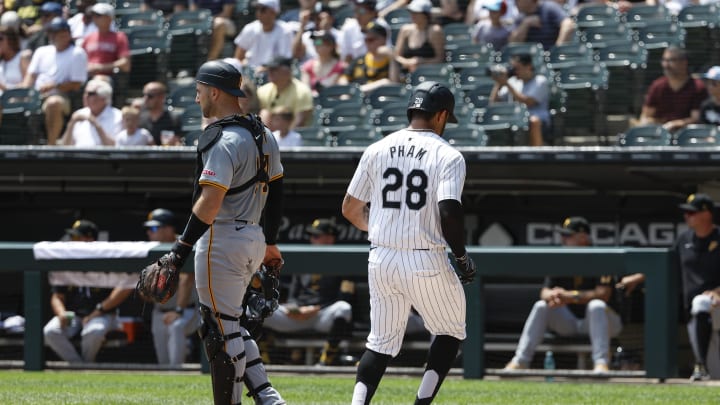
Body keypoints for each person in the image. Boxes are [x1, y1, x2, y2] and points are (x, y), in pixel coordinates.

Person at [153, 59, 285, 404]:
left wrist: (178, 250)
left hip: (223, 238)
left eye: (199, 92)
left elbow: (210, 202)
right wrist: (270, 242)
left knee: (219, 333)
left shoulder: (224, 140)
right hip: (253, 236)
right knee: (232, 325)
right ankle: (270, 399)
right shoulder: (263, 132)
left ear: (214, 91)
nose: (197, 99)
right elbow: (278, 191)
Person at [342, 81, 476, 404]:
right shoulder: (448, 155)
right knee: (450, 331)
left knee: (380, 343)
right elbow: (449, 211)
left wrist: (377, 229)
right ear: (441, 115)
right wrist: (460, 256)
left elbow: (349, 208)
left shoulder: (377, 148)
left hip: (381, 258)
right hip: (424, 258)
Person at [503, 216, 627, 373]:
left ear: (583, 237)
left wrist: (569, 296)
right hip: (571, 322)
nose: (563, 239)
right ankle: (520, 361)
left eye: (568, 235)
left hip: (604, 322)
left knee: (596, 306)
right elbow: (544, 291)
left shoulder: (601, 256)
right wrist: (553, 295)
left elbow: (603, 294)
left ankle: (601, 363)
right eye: (562, 235)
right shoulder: (561, 257)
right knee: (541, 305)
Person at [262, 218, 356, 366]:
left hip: (322, 316)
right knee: (259, 309)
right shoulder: (304, 259)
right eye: (312, 236)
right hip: (298, 316)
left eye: (317, 236)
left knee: (343, 308)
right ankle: (263, 359)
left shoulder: (343, 260)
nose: (313, 239)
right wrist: (294, 309)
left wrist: (316, 308)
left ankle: (327, 359)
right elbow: (293, 295)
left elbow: (346, 296)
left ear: (330, 238)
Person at [43, 219, 135, 363]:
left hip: (103, 314)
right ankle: (78, 366)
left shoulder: (106, 259)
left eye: (76, 237)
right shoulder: (68, 261)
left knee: (93, 331)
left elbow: (124, 288)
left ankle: (86, 365)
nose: (72, 241)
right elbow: (57, 295)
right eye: (72, 237)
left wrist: (97, 311)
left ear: (89, 239)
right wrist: (61, 314)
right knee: (50, 331)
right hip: (74, 315)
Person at [143, 208, 200, 367]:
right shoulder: (150, 248)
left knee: (176, 328)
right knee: (163, 362)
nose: (149, 233)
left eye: (154, 228)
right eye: (148, 229)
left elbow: (186, 279)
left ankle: (178, 374)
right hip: (159, 311)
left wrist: (178, 310)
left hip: (187, 309)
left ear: (169, 229)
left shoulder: (185, 245)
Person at [673, 193, 720, 381]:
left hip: (717, 306)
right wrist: (635, 278)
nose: (687, 216)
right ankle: (702, 365)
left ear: (707, 214)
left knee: (701, 301)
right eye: (686, 213)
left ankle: (699, 364)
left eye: (692, 213)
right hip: (698, 315)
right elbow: (666, 264)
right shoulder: (683, 239)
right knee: (714, 375)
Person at [22, 17, 88, 145]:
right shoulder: (42, 51)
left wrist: (54, 86)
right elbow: (31, 76)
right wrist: (23, 92)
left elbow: (76, 84)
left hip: (63, 96)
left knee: (54, 102)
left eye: (61, 32)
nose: (58, 35)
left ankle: (51, 146)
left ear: (68, 33)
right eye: (54, 32)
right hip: (36, 95)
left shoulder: (77, 53)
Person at [637, 46, 707, 132]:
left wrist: (674, 124)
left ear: (684, 62)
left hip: (686, 136)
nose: (666, 65)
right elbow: (646, 116)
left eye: (671, 60)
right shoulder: (657, 86)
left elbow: (696, 119)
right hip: (659, 135)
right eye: (664, 60)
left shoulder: (697, 87)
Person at [489, 53, 550, 146]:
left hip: (536, 117)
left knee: (534, 121)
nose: (514, 72)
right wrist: (498, 83)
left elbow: (528, 102)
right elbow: (494, 104)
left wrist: (507, 84)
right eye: (513, 68)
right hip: (514, 118)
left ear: (528, 66)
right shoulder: (512, 81)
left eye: (517, 68)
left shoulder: (540, 81)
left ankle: (537, 154)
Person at [337, 20, 397, 94]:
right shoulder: (359, 60)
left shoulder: (392, 60)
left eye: (371, 40)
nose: (368, 43)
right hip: (357, 100)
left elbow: (394, 85)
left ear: (384, 40)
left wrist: (392, 58)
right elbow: (343, 79)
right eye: (366, 40)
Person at [58, 78, 123, 146]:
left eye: (90, 94)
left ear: (104, 97)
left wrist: (97, 125)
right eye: (85, 93)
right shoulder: (79, 114)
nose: (85, 96)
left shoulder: (118, 116)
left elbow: (115, 147)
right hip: (78, 155)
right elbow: (65, 146)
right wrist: (71, 124)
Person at [233, 0, 293, 71]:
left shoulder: (285, 30)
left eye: (263, 9)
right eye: (257, 9)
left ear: (274, 12)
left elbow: (284, 60)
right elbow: (238, 58)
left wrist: (265, 69)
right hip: (250, 73)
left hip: (274, 73)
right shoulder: (249, 28)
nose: (259, 13)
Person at [257, 56, 314, 128]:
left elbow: (299, 122)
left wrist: (282, 137)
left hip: (292, 136)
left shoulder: (302, 91)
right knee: (264, 113)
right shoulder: (262, 90)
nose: (270, 72)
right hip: (268, 135)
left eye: (274, 69)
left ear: (288, 71)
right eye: (269, 69)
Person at [393, 0, 445, 78]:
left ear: (426, 15)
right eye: (411, 12)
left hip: (429, 75)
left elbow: (440, 58)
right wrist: (408, 62)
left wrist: (422, 62)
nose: (412, 15)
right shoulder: (405, 30)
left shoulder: (435, 31)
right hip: (406, 75)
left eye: (416, 12)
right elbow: (397, 56)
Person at [82, 3, 130, 78]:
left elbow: (125, 64)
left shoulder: (119, 37)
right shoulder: (88, 37)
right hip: (86, 77)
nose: (94, 18)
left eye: (98, 16)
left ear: (109, 18)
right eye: (93, 15)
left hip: (109, 78)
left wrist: (101, 67)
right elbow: (80, 59)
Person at [338, 0, 392, 64]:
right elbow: (346, 58)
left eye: (362, 11)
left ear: (373, 13)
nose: (358, 15)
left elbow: (386, 52)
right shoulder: (348, 27)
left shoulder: (381, 26)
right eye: (356, 11)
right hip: (356, 69)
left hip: (379, 66)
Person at [509, 0, 574, 50]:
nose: (515, 3)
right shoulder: (520, 18)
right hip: (528, 61)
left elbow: (568, 24)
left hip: (550, 57)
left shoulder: (549, 8)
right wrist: (525, 24)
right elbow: (513, 44)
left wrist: (557, 50)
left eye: (518, 0)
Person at [300, 30, 345, 96]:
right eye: (316, 42)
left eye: (320, 42)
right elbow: (304, 89)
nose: (317, 44)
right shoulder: (307, 66)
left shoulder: (341, 67)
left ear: (331, 46)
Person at [138, 81, 182, 146]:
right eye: (144, 95)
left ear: (161, 97)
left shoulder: (173, 119)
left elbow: (177, 143)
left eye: (150, 96)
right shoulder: (140, 118)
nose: (145, 99)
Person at [0, 25, 30, 96]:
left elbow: (27, 85)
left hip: (17, 101)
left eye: (0, 39)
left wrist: (6, 88)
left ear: (11, 40)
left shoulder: (22, 58)